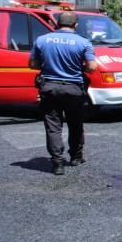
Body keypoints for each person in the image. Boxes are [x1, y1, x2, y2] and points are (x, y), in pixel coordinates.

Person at [29, 11, 97, 175]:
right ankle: (75, 157)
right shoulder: (83, 42)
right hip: (74, 89)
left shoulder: (42, 40)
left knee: (53, 127)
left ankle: (57, 164)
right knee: (75, 123)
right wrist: (79, 67)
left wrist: (48, 65)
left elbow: (32, 64)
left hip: (49, 88)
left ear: (57, 24)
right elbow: (92, 67)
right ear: (76, 25)